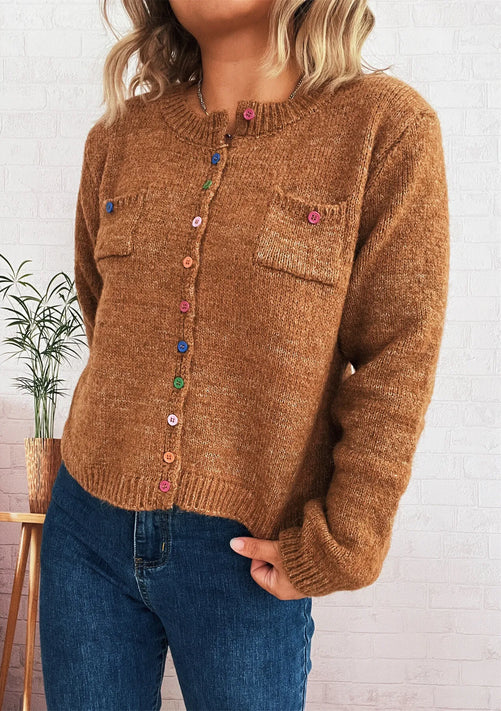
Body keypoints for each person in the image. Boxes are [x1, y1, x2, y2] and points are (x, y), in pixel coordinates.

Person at [39, 1, 450, 709]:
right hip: (86, 535)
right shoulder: (119, 136)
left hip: (251, 554)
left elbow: (397, 358)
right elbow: (104, 311)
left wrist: (342, 543)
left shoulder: (381, 128)